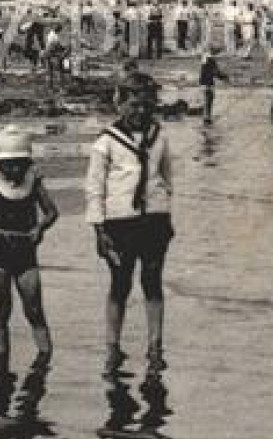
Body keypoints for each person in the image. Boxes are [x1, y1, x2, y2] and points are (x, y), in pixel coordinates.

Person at [85, 74, 176, 372]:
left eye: (147, 106)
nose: (140, 112)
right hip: (120, 222)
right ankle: (112, 345)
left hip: (154, 220)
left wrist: (167, 216)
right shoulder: (105, 143)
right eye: (134, 105)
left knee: (153, 281)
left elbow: (166, 179)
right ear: (120, 103)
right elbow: (95, 189)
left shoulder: (159, 137)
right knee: (120, 283)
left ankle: (155, 345)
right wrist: (99, 231)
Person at [0, 126, 58, 371]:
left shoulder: (34, 183)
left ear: (28, 162)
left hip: (26, 254)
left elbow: (51, 212)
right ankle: (1, 358)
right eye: (10, 165)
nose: (15, 169)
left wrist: (40, 228)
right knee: (1, 310)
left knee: (35, 310)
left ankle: (45, 358)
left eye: (20, 164)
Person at [197, 51, 228, 124]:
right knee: (209, 99)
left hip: (203, 83)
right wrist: (225, 77)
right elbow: (216, 72)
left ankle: (206, 116)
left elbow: (214, 72)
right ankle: (207, 117)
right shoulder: (211, 61)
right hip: (208, 84)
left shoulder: (204, 61)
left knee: (207, 99)